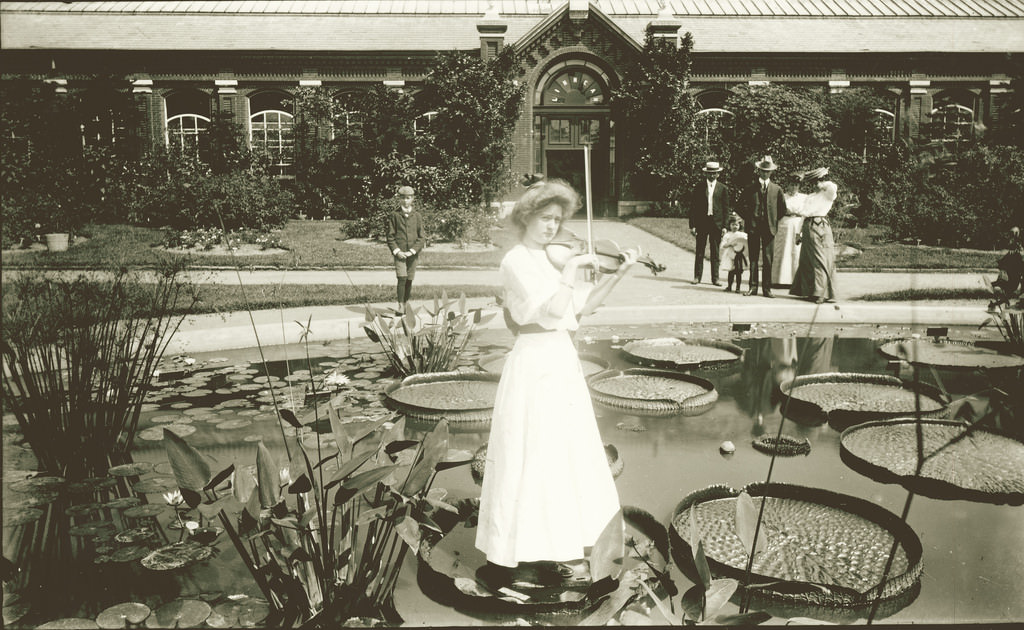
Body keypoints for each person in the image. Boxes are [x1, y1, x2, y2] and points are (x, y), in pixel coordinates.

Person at [476, 178, 637, 588]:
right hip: (533, 363)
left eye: (558, 220)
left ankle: (562, 545)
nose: (552, 228)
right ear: (526, 218)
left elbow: (582, 310)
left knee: (565, 455)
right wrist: (568, 270)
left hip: (562, 361)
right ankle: (521, 552)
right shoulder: (515, 260)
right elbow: (547, 313)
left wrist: (619, 275)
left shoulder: (553, 260)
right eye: (545, 219)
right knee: (530, 456)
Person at [789, 167, 838, 304]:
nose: (815, 184)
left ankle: (821, 293)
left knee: (821, 259)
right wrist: (798, 233)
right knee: (807, 259)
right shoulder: (810, 197)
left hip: (820, 226)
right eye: (813, 182)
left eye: (818, 181)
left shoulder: (827, 194)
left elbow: (833, 188)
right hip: (808, 227)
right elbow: (804, 215)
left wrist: (823, 182)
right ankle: (810, 291)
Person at [740, 156, 786, 298]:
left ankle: (767, 289)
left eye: (768, 171)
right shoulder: (750, 188)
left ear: (771, 172)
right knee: (753, 257)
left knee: (768, 258)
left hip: (769, 228)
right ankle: (753, 287)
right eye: (762, 171)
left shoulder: (777, 189)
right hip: (753, 227)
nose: (765, 173)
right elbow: (740, 205)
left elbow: (782, 209)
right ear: (758, 171)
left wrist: (772, 220)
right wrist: (749, 218)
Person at [688, 161, 731, 286]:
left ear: (718, 174)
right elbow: (693, 207)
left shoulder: (723, 188)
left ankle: (715, 278)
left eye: (714, 173)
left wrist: (724, 226)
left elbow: (725, 209)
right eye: (709, 173)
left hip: (716, 223)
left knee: (715, 252)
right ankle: (697, 276)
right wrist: (692, 225)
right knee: (700, 250)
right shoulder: (699, 187)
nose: (712, 176)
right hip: (702, 223)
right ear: (705, 173)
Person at [385, 185, 425, 312]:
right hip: (400, 253)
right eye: (402, 198)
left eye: (408, 198)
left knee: (409, 278)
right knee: (401, 277)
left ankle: (407, 302)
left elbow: (422, 236)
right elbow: (390, 236)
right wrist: (397, 251)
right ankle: (401, 304)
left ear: (413, 199)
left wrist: (413, 251)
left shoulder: (417, 216)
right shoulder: (394, 215)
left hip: (412, 254)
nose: (405, 201)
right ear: (399, 199)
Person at [773, 180, 807, 287]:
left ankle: (795, 280)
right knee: (783, 250)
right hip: (784, 223)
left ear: (799, 186)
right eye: (791, 184)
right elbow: (777, 210)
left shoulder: (804, 197)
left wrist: (796, 212)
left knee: (796, 251)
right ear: (787, 185)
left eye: (796, 185)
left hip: (797, 224)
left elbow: (805, 211)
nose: (793, 187)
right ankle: (779, 279)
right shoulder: (782, 196)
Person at [991, 225, 1023, 307]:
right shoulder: (1013, 246)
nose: (1011, 236)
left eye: (1013, 234)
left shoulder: (1018, 247)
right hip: (1012, 275)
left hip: (1015, 276)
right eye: (1011, 234)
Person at [719, 213, 747, 293]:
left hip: (739, 256)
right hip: (730, 255)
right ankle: (729, 286)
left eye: (736, 225)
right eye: (733, 224)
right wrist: (730, 244)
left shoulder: (742, 235)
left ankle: (738, 287)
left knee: (738, 272)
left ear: (740, 226)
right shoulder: (727, 235)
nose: (735, 226)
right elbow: (723, 245)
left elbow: (746, 243)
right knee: (731, 272)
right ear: (729, 225)